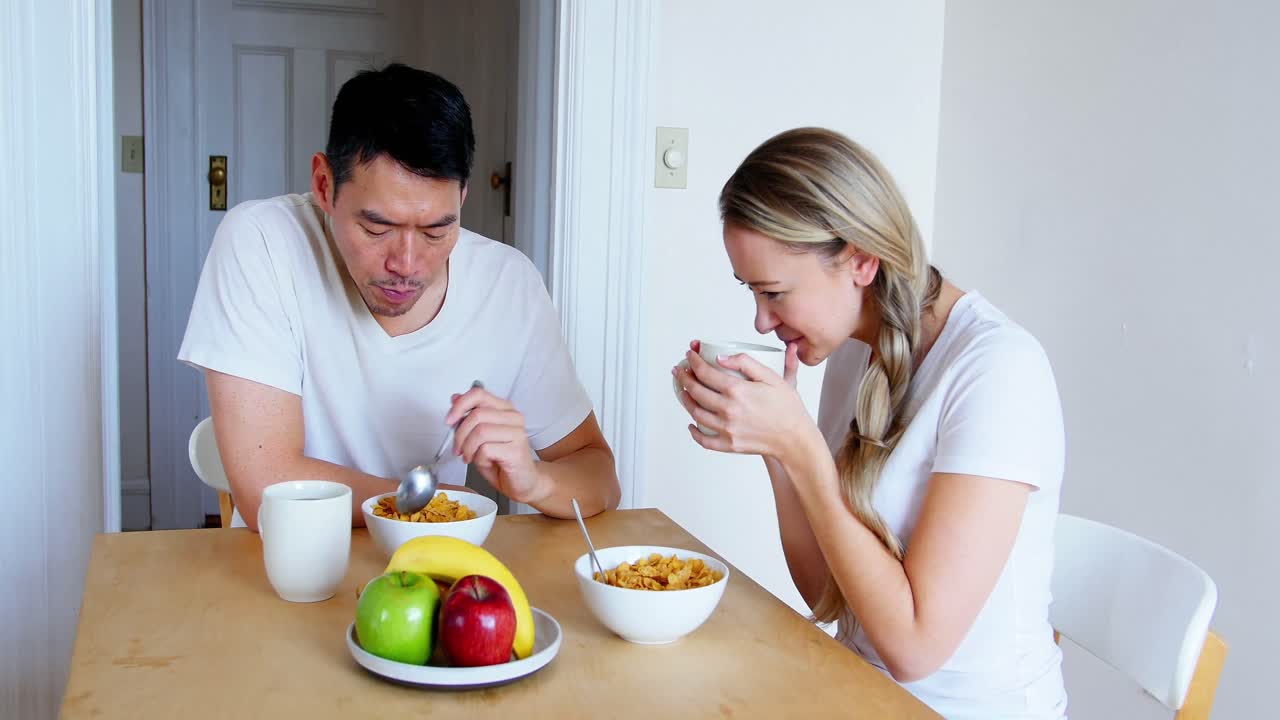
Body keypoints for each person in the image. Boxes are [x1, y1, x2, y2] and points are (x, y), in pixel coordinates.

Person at [673, 128, 1067, 718]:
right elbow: (829, 598)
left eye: (774, 292)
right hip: (857, 695)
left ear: (860, 259)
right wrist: (778, 453)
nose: (760, 321)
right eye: (752, 292)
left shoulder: (998, 372)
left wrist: (801, 447)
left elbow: (914, 649)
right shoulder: (854, 350)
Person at [178, 64, 619, 530]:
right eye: (377, 228)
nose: (406, 264)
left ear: (463, 198)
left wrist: (535, 482)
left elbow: (599, 475)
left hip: (431, 575)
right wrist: (441, 505)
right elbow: (267, 488)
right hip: (286, 572)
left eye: (436, 230)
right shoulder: (262, 242)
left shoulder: (508, 284)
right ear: (325, 185)